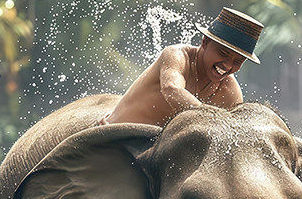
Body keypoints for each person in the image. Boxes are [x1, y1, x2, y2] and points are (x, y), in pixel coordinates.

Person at [105, 7, 263, 127]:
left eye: (238, 61)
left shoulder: (229, 91)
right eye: (223, 53)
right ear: (205, 42)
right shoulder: (177, 56)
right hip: (116, 138)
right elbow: (171, 89)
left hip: (161, 157)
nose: (228, 65)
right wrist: (214, 119)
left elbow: (233, 130)